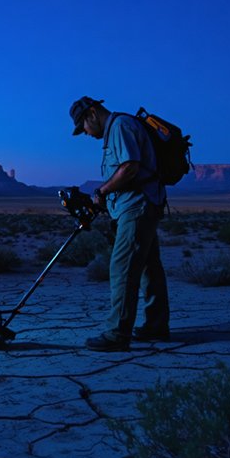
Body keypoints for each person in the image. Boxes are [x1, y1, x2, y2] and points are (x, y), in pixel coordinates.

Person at [70, 96, 170, 351]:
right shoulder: (119, 128)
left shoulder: (120, 126)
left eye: (84, 127)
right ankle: (155, 327)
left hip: (137, 207)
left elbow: (129, 168)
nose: (86, 134)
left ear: (92, 113)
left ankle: (118, 334)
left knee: (122, 267)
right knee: (149, 267)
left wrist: (102, 191)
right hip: (141, 204)